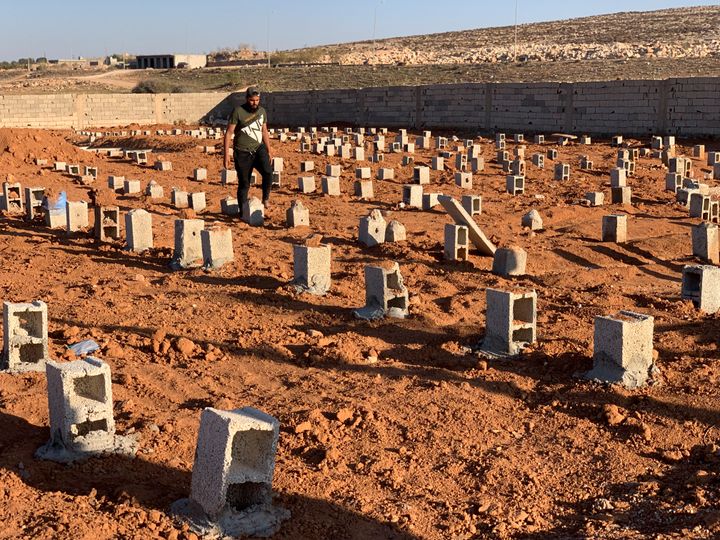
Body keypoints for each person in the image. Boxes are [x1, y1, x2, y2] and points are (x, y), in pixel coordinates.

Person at [223, 86, 273, 215]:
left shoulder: (262, 111)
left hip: (258, 148)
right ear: (247, 99)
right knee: (244, 183)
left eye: (257, 100)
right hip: (242, 152)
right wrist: (226, 154)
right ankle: (242, 211)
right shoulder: (238, 112)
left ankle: (265, 199)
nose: (255, 103)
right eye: (252, 100)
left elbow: (264, 131)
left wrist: (269, 149)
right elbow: (229, 133)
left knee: (268, 172)